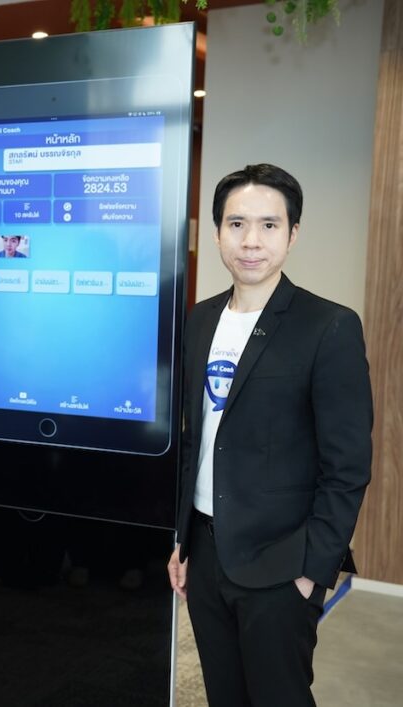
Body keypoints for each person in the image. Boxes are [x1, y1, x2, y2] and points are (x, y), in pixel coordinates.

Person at [167, 164, 372, 707]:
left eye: (268, 225)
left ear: (292, 234)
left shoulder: (328, 326)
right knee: (224, 696)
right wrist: (181, 540)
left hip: (282, 565)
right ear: (217, 232)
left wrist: (312, 572)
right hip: (206, 554)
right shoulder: (199, 321)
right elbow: (194, 441)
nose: (251, 241)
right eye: (236, 224)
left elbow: (348, 466)